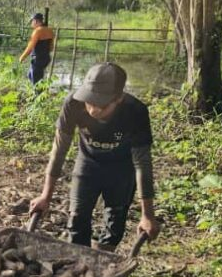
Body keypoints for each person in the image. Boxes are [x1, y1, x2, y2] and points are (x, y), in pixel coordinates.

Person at [29, 62, 161, 250]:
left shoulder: (135, 111)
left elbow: (142, 163)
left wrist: (147, 214)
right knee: (77, 218)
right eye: (89, 102)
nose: (93, 110)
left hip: (122, 168)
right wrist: (45, 195)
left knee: (115, 222)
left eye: (101, 105)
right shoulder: (73, 104)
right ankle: (77, 261)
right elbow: (59, 149)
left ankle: (102, 259)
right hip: (88, 163)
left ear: (118, 98)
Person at [17, 12, 56, 85]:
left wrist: (22, 57)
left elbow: (30, 47)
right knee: (31, 75)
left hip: (38, 59)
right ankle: (38, 93)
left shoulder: (37, 31)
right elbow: (51, 47)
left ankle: (38, 95)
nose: (31, 23)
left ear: (35, 21)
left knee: (36, 82)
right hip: (46, 58)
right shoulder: (50, 30)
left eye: (32, 21)